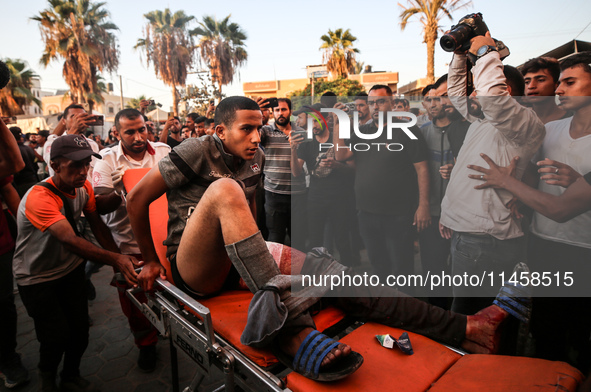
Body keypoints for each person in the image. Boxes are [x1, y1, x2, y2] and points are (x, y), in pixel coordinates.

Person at [128, 96, 515, 382]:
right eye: (245, 129)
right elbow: (137, 198)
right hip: (193, 266)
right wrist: (148, 259)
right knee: (226, 189)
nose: (255, 136)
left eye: (259, 128)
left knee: (337, 276)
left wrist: (259, 251)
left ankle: (466, 328)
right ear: (219, 130)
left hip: (237, 257)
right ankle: (293, 332)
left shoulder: (256, 156)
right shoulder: (196, 149)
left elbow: (249, 210)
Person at [12, 134, 140, 392]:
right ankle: (47, 377)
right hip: (37, 277)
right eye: (74, 165)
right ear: (55, 165)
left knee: (80, 330)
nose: (83, 171)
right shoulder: (39, 197)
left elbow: (98, 226)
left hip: (70, 271)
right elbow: (69, 239)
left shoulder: (83, 187)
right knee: (54, 335)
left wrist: (119, 193)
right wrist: (116, 258)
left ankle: (71, 375)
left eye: (86, 164)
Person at [439, 31, 545, 315]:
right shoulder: (482, 121)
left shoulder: (524, 125)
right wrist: (460, 56)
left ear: (506, 92)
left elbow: (493, 99)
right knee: (468, 316)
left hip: (483, 242)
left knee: (472, 320)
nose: (473, 95)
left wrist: (486, 50)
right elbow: (458, 96)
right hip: (468, 235)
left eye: (480, 89)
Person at [92, 109, 170, 372]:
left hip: (166, 241)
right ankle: (146, 345)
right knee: (136, 303)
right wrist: (117, 194)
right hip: (129, 247)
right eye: (130, 132)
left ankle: (171, 332)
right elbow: (100, 206)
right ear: (117, 133)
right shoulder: (106, 159)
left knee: (171, 295)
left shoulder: (163, 151)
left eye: (142, 129)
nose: (138, 137)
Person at [333, 85, 430, 285]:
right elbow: (341, 155)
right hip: (366, 214)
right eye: (371, 102)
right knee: (378, 269)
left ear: (392, 103)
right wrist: (337, 124)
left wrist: (424, 206)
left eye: (380, 101)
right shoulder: (363, 131)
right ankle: (385, 312)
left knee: (402, 271)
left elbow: (422, 169)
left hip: (398, 215)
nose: (375, 106)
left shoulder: (407, 130)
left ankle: (405, 313)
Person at [259, 98, 307, 250]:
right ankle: (277, 273)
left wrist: (293, 147)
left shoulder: (302, 133)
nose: (280, 113)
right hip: (273, 194)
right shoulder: (266, 131)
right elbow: (251, 134)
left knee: (298, 239)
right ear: (272, 113)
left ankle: (299, 273)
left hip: (297, 194)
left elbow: (298, 171)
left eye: (284, 109)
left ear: (290, 112)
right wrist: (257, 113)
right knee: (275, 239)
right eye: (277, 110)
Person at [43, 104, 99, 178]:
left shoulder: (92, 144)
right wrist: (74, 130)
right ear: (63, 121)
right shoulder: (52, 142)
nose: (79, 120)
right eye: (74, 117)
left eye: (83, 117)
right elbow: (53, 167)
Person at [521, 56, 569, 124]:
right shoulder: (518, 121)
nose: (531, 86)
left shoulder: (574, 119)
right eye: (527, 82)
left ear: (556, 84)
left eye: (540, 80)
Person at [9, 127, 39, 197]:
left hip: (22, 183)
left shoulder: (14, 150)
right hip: (33, 180)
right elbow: (35, 165)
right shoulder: (29, 148)